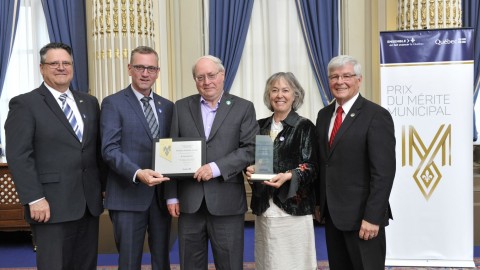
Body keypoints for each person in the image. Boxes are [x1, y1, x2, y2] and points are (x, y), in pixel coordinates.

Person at [4, 42, 105, 270]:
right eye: (54, 63)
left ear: (72, 67)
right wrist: (34, 198)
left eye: (66, 63)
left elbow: (95, 150)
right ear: (42, 68)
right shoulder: (25, 104)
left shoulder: (89, 102)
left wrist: (105, 187)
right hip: (50, 205)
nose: (61, 67)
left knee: (85, 265)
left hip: (88, 204)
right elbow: (19, 156)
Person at [165, 55, 258, 270]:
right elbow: (169, 153)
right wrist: (171, 195)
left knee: (229, 264)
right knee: (190, 264)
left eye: (211, 75)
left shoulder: (243, 108)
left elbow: (249, 149)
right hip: (189, 203)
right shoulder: (180, 107)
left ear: (223, 76)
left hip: (227, 203)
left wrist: (216, 168)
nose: (206, 82)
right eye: (200, 77)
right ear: (195, 80)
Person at [315, 55, 396, 269]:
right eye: (334, 76)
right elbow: (324, 163)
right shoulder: (323, 116)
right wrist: (318, 203)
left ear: (359, 80)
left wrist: (373, 217)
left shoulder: (376, 116)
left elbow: (383, 173)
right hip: (333, 216)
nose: (340, 81)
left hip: (363, 219)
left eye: (346, 76)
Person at [100, 46, 174, 270]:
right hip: (127, 195)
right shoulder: (113, 103)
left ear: (157, 72)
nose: (145, 73)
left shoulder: (168, 106)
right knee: (129, 261)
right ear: (129, 69)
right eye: (140, 67)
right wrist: (137, 173)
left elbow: (170, 150)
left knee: (162, 259)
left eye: (151, 68)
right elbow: (109, 149)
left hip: (160, 198)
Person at [245, 72, 318, 270]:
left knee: (293, 261)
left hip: (292, 207)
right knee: (268, 259)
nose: (280, 95)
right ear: (269, 95)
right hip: (264, 205)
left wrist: (289, 176)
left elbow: (311, 166)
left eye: (285, 90)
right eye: (274, 90)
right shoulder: (259, 126)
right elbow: (251, 160)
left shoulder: (305, 127)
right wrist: (250, 169)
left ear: (295, 95)